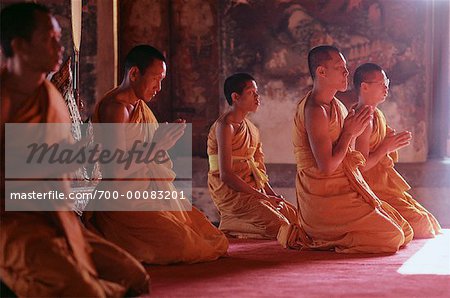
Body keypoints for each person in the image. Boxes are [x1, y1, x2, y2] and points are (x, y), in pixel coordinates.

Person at [0, 3, 149, 296]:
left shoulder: (49, 96)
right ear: (19, 46)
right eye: (49, 39)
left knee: (135, 277)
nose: (60, 47)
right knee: (86, 291)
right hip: (14, 224)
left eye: (59, 37)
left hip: (60, 219)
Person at [83, 45, 228, 264]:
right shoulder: (116, 109)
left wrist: (164, 138)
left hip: (147, 193)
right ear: (134, 74)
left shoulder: (138, 106)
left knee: (211, 237)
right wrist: (158, 145)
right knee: (186, 244)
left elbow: (144, 151)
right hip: (123, 203)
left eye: (162, 80)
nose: (158, 87)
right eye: (155, 79)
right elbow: (116, 172)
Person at [292, 45, 414, 253]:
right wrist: (350, 134)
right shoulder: (315, 110)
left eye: (345, 67)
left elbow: (347, 155)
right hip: (323, 195)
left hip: (345, 186)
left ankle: (342, 233)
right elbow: (327, 167)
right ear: (321, 72)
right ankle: (323, 234)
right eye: (340, 68)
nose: (347, 73)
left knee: (405, 230)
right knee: (392, 236)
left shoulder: (337, 106)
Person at [207, 73, 302, 246]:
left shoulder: (251, 129)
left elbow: (258, 170)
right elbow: (226, 175)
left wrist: (272, 196)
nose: (258, 97)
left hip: (252, 190)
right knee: (282, 226)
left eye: (257, 92)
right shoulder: (224, 126)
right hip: (231, 192)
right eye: (251, 93)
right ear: (236, 97)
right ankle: (231, 222)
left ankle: (239, 222)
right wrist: (263, 198)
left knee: (294, 217)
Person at [353, 62, 441, 238]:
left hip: (384, 183)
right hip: (371, 188)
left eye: (387, 82)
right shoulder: (363, 118)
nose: (386, 88)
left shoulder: (376, 114)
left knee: (428, 220)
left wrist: (388, 142)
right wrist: (386, 147)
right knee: (422, 224)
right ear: (364, 86)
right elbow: (360, 168)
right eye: (381, 84)